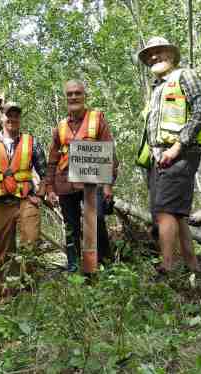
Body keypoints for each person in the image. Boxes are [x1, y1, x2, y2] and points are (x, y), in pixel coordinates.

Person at [135, 37, 201, 273]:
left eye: (159, 52)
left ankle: (167, 267)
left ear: (171, 54)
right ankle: (192, 265)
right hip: (159, 157)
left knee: (166, 210)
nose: (153, 57)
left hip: (180, 153)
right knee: (175, 213)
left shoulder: (185, 76)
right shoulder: (157, 88)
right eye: (149, 55)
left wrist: (177, 147)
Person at [44, 80, 118, 273]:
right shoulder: (60, 126)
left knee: (97, 221)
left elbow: (109, 153)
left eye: (77, 93)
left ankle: (105, 264)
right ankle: (74, 266)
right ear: (65, 98)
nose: (73, 97)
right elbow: (52, 160)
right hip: (65, 183)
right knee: (71, 227)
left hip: (91, 182)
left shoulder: (97, 119)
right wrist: (49, 188)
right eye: (70, 94)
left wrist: (109, 185)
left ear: (84, 96)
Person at [0, 102, 47, 296]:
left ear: (20, 118)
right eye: (9, 115)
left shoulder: (31, 141)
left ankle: (29, 294)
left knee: (30, 246)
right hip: (0, 203)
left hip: (26, 200)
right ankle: (6, 295)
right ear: (2, 117)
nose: (12, 119)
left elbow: (45, 173)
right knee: (5, 252)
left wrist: (40, 195)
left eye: (16, 115)